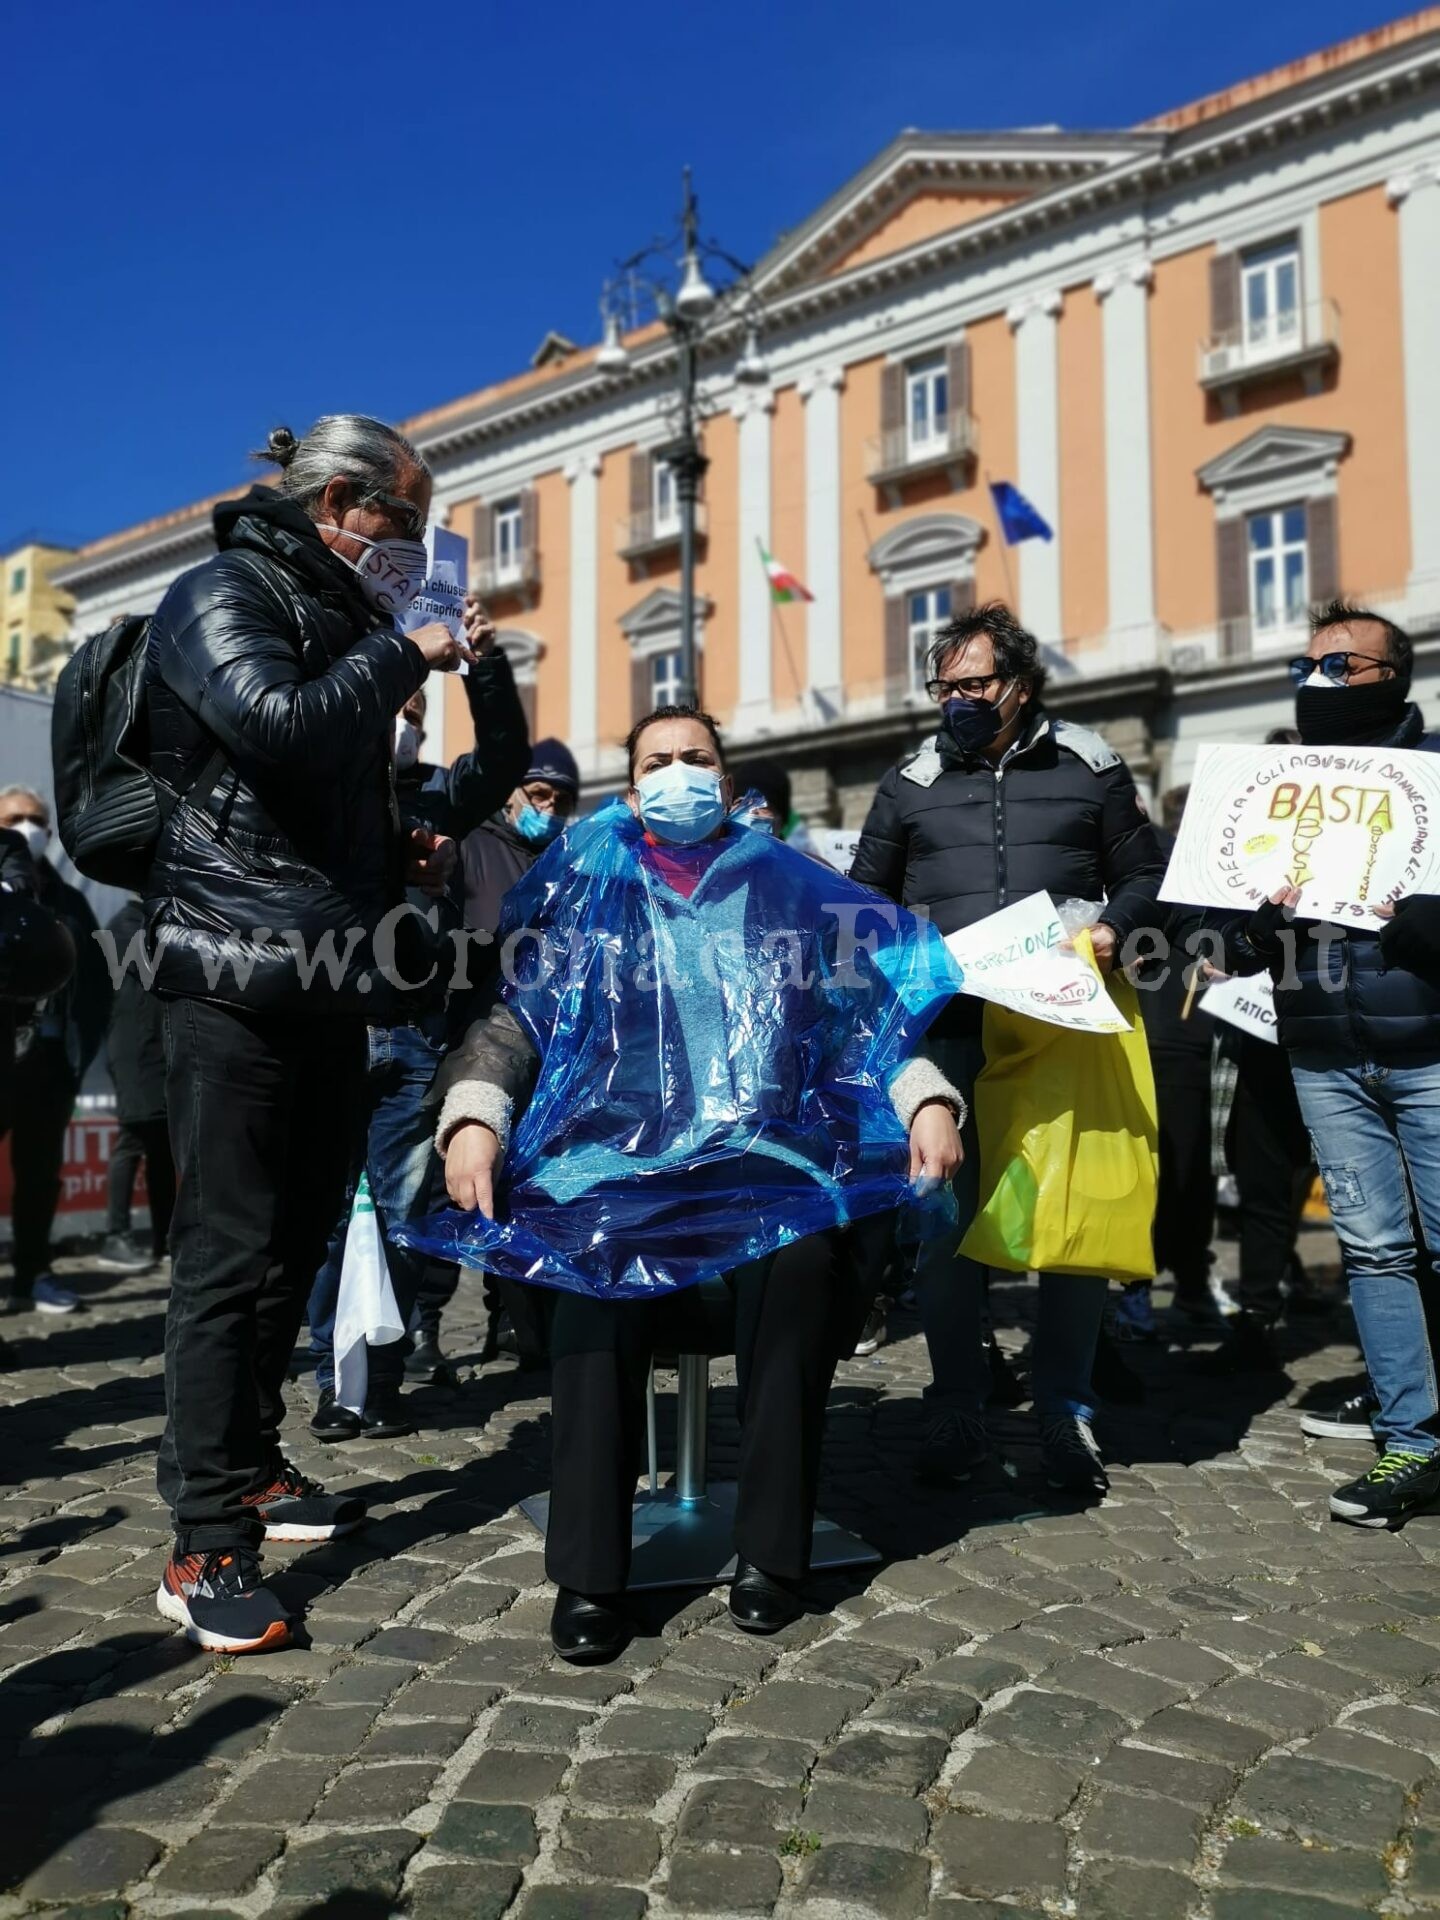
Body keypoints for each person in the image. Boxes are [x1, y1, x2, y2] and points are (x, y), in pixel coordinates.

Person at [431, 704, 965, 1662]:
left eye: (697, 759)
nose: (679, 774)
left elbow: (864, 1020)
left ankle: (772, 1554)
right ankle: (591, 1574)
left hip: (767, 1164)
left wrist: (926, 1097)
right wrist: (475, 1114)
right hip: (616, 1165)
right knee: (587, 1275)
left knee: (801, 1265)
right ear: (631, 792)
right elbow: (515, 1022)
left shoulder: (790, 894)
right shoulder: (592, 891)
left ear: (726, 782)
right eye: (658, 762)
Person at [144, 414, 476, 1653]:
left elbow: (298, 795)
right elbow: (275, 726)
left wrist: (398, 844)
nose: (417, 549)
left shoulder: (340, 620)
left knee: (293, 1243)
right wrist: (406, 649)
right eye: (408, 522)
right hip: (229, 974)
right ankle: (202, 1540)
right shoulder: (215, 592)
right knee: (227, 1256)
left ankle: (253, 1463)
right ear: (343, 501)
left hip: (330, 970)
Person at [851, 602, 1166, 1494]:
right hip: (949, 1027)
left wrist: (1113, 931)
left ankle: (1066, 1412)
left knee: (1069, 1213)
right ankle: (958, 1404)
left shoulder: (1091, 764)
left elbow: (1144, 873)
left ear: (1020, 687)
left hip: (1063, 1017)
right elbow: (861, 901)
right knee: (944, 1218)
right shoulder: (906, 781)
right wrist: (898, 953)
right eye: (942, 685)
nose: (955, 699)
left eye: (974, 683)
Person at [1217, 600, 1440, 1527]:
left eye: (1343, 666)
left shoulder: (1436, 780)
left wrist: (1418, 919)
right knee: (1374, 1251)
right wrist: (1258, 922)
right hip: (1323, 1057)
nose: (1320, 682)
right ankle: (1413, 1444)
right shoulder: (1273, 790)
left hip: (1430, 1050)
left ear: (1397, 676)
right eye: (1309, 667)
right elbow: (1224, 943)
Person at [306, 629, 531, 1438]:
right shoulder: (316, 792)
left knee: (397, 1213)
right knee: (327, 1216)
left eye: (417, 714)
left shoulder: (437, 799)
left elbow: (505, 756)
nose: (406, 726)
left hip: (406, 1037)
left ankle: (370, 1381)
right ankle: (330, 1359)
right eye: (394, 709)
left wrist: (486, 666)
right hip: (324, 1032)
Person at [450, 737, 581, 1373]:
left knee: (529, 1188)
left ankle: (519, 1317)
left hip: (551, 1048)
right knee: (458, 1185)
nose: (549, 807)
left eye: (561, 799)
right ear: (512, 792)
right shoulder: (470, 847)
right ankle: (423, 1326)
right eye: (539, 794)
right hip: (475, 1038)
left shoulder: (571, 860)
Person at [0, 788, 110, 1315]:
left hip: (48, 1059)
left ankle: (32, 1274)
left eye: (36, 819)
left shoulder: (68, 900)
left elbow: (94, 986)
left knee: (40, 1173)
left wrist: (75, 1058)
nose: (27, 827)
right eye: (14, 819)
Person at [96, 897, 174, 1274]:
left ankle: (166, 1239)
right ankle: (115, 1235)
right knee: (132, 1138)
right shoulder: (125, 923)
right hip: (134, 1051)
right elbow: (157, 968)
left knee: (160, 1146)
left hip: (159, 1049)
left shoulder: (156, 921)